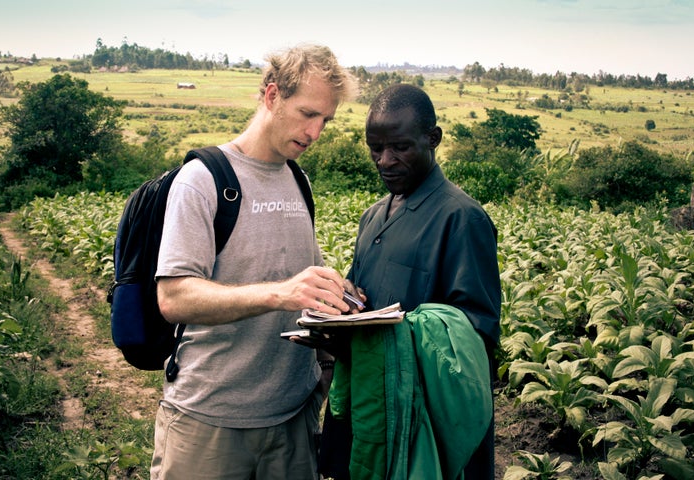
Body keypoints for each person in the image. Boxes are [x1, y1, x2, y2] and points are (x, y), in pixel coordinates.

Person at [150, 44, 359, 480]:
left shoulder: (298, 180)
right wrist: (279, 293)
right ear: (271, 96)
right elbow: (173, 297)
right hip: (209, 422)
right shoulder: (203, 180)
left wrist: (336, 298)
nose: (317, 131)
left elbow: (300, 283)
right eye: (307, 114)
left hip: (293, 419)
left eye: (326, 120)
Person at [317, 84, 501, 479]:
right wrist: (344, 306)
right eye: (375, 149)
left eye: (400, 147)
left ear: (432, 139)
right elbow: (365, 296)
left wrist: (395, 336)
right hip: (373, 402)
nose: (385, 161)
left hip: (424, 420)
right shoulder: (372, 217)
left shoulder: (461, 218)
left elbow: (477, 333)